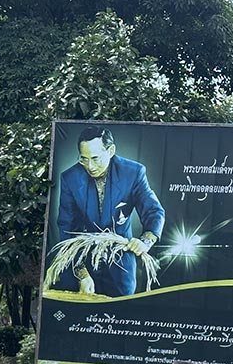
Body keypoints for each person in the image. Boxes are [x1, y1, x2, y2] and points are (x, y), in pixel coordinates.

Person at [52, 126, 165, 296]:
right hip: (81, 260)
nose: (90, 166)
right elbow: (66, 227)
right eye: (84, 159)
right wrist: (81, 274)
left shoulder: (133, 173)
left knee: (120, 313)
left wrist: (145, 241)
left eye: (96, 158)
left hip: (120, 262)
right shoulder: (70, 178)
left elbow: (153, 211)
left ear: (111, 150)